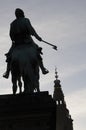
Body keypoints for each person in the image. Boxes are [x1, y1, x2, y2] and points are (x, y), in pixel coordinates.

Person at [3, 8, 49, 78]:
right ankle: (43, 68)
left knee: (10, 56)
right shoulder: (26, 20)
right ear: (22, 13)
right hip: (28, 41)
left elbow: (11, 35)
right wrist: (38, 37)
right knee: (37, 51)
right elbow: (31, 30)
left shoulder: (12, 23)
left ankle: (7, 72)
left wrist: (14, 40)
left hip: (17, 43)